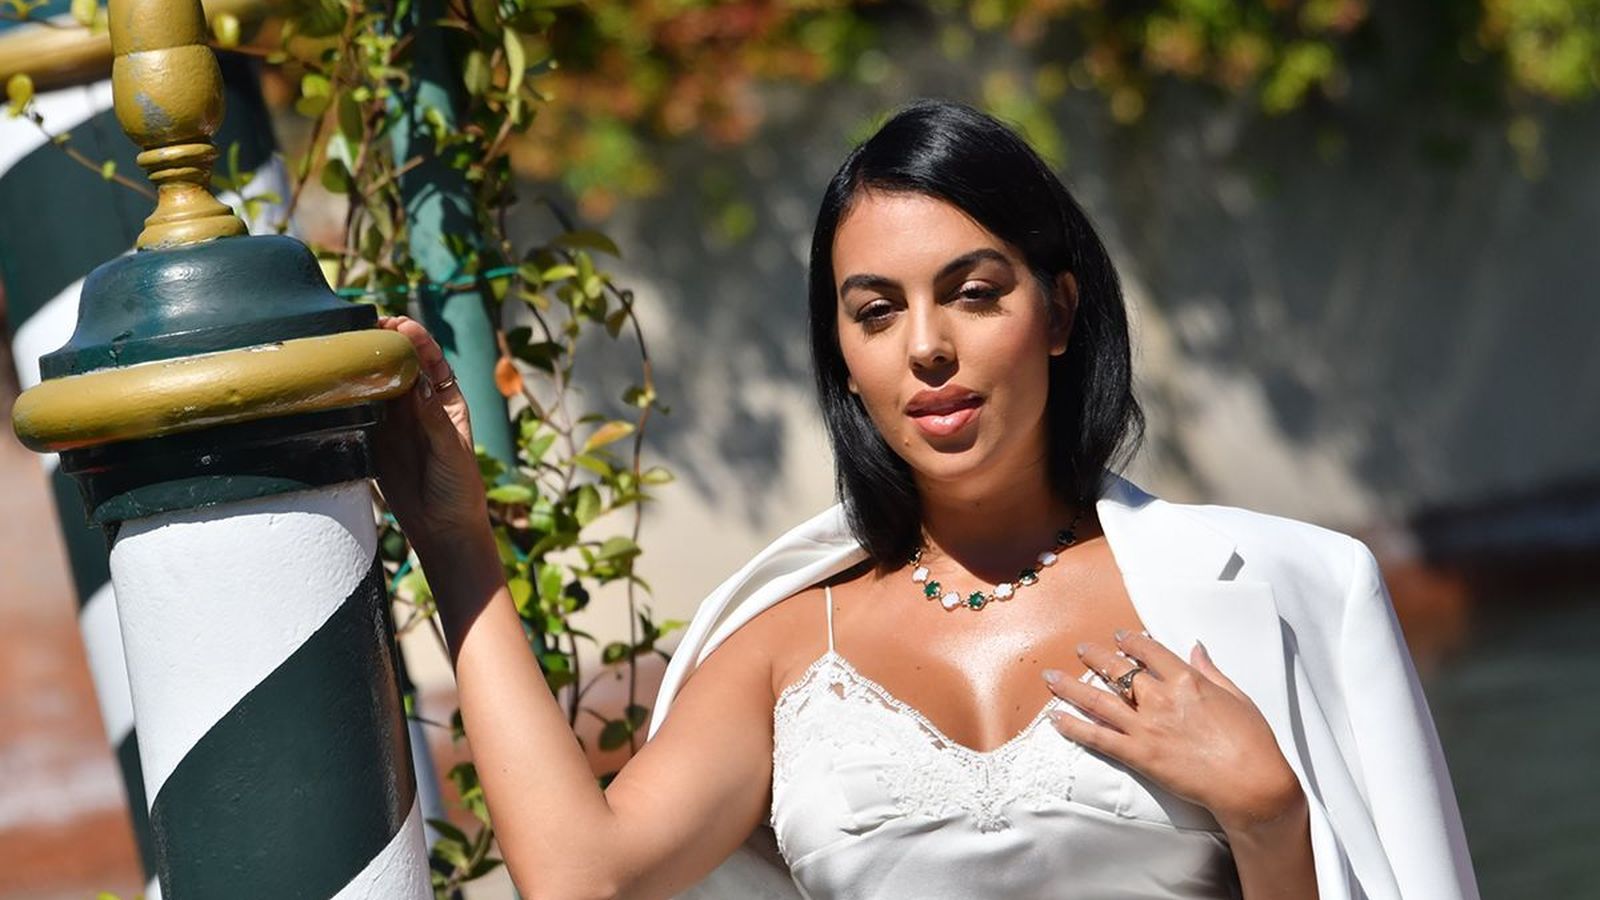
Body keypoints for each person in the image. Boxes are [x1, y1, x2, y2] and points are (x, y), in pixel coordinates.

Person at [374, 100, 1479, 899]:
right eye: (876, 312)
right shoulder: (780, 648)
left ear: (1056, 311)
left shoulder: (1276, 591)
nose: (928, 349)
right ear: (843, 357)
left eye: (973, 293)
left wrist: (1268, 819)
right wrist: (455, 538)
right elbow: (582, 881)